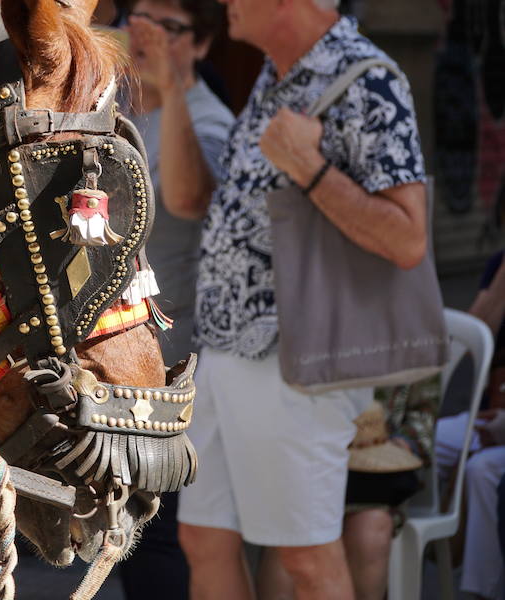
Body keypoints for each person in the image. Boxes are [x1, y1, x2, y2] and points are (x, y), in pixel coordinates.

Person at [175, 0, 428, 598]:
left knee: (307, 558)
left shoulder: (367, 78)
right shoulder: (274, 73)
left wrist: (311, 168)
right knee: (204, 540)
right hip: (224, 349)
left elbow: (409, 237)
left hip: (296, 357)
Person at [113, 1, 234, 598]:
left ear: (201, 43)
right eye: (142, 15)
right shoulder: (123, 106)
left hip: (179, 362)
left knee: (163, 534)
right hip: (121, 358)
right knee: (128, 529)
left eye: (169, 25)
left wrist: (176, 86)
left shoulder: (209, 119)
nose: (146, 32)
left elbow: (190, 200)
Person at [257, 376, 440, 600]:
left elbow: (424, 415)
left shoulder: (417, 343)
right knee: (292, 536)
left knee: (371, 533)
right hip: (303, 464)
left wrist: (397, 446)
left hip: (375, 476)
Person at [434, 249, 505, 600]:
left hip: (499, 422)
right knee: (423, 444)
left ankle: (482, 592)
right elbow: (470, 340)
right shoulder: (498, 264)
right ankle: (402, 553)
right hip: (490, 409)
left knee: (482, 470)